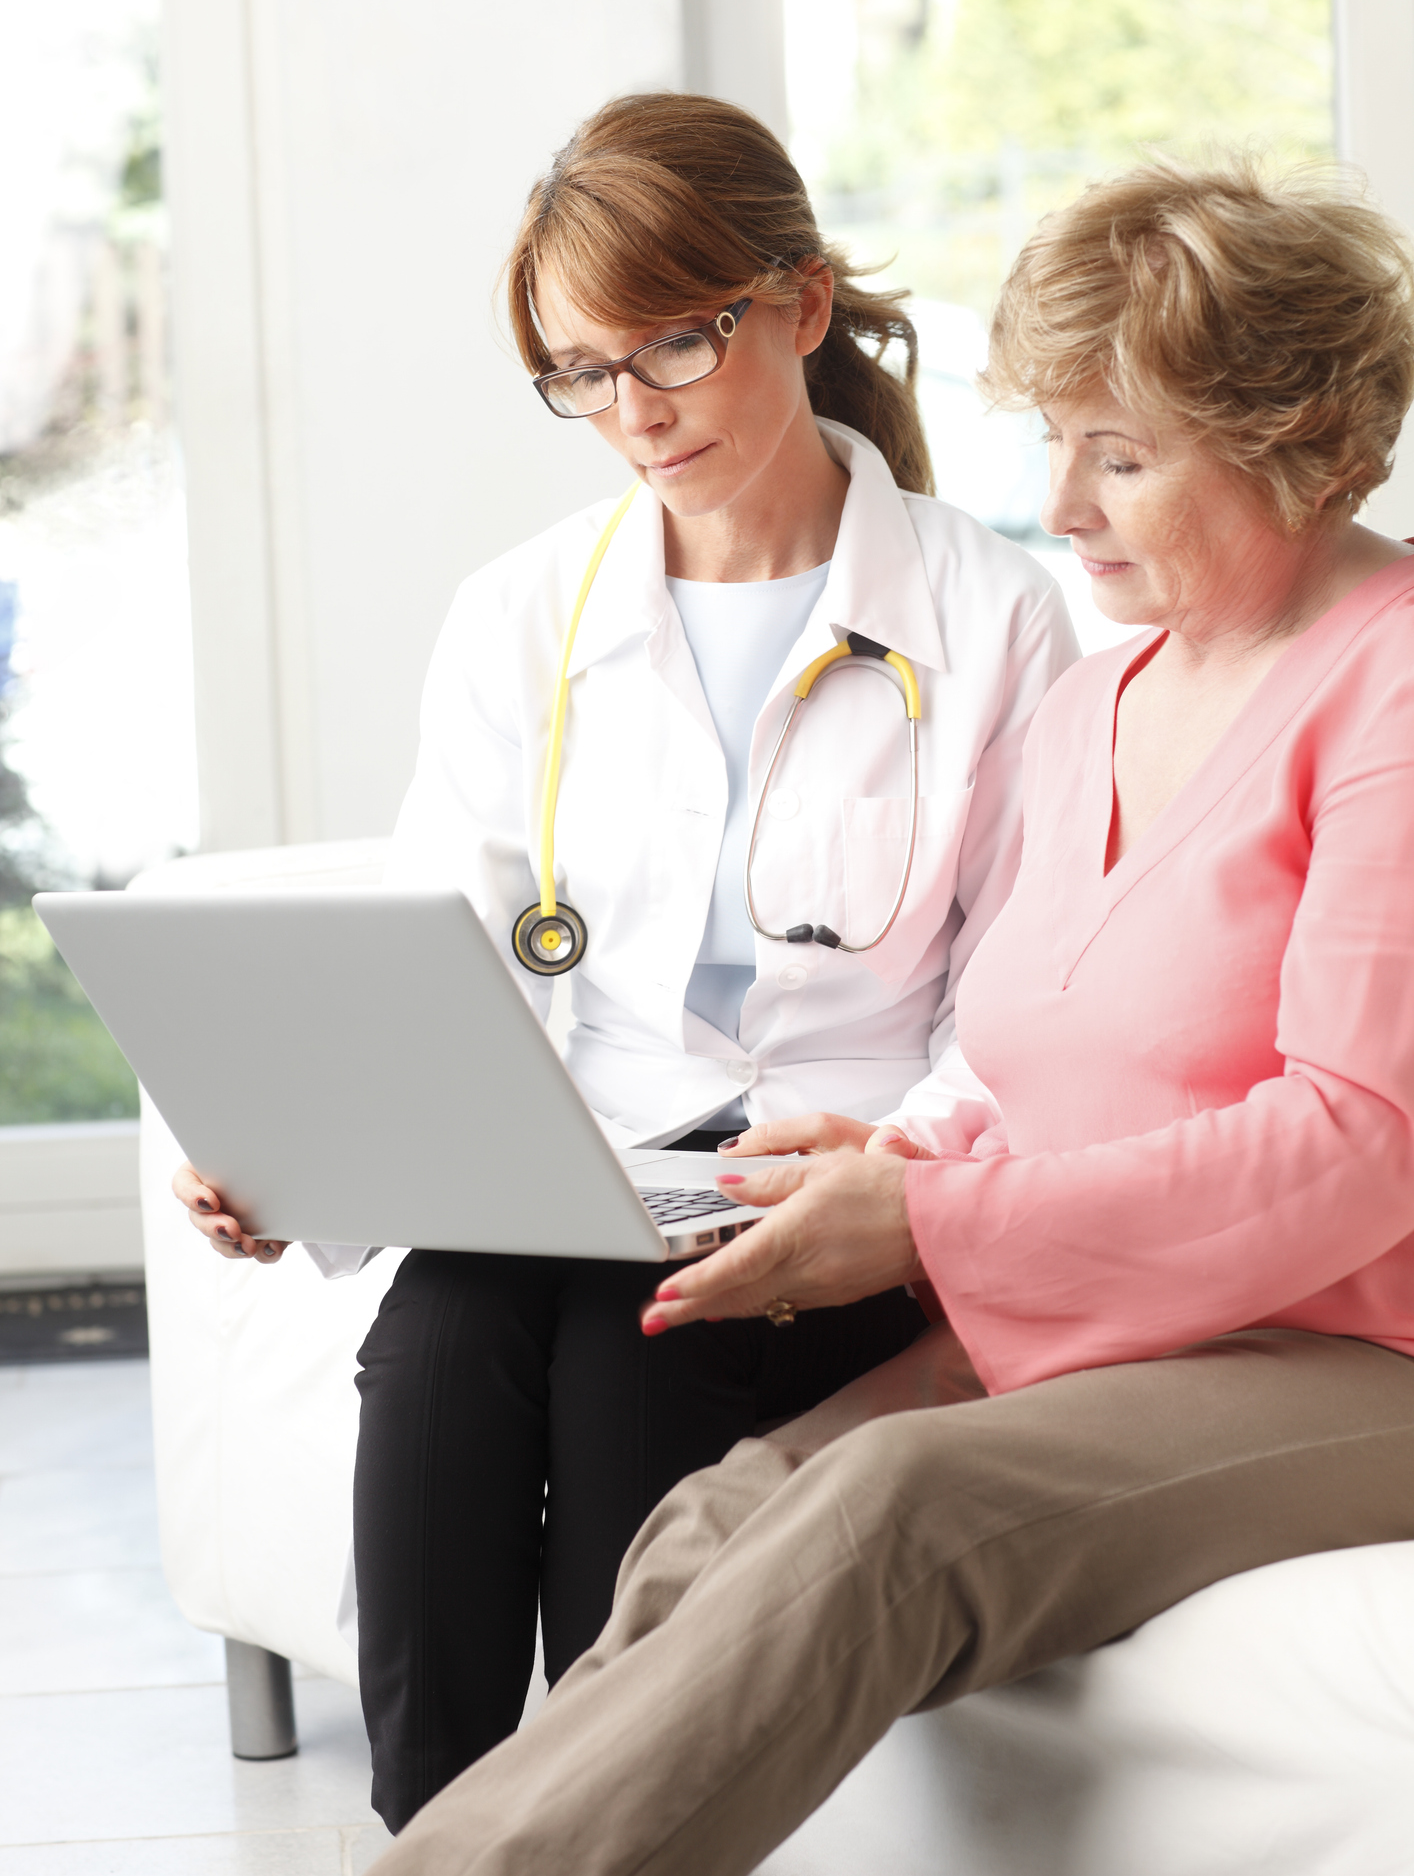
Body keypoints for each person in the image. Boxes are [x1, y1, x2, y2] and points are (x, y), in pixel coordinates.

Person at [363, 154, 1414, 1876]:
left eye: (1119, 455)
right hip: (1112, 1318)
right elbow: (1030, 1061)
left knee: (886, 1508)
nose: (1059, 505)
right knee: (710, 1518)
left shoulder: (1386, 683)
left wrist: (930, 1220)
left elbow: (1358, 1145)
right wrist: (892, 1154)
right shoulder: (1103, 698)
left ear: (1295, 439)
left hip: (1349, 1346)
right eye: (1052, 441)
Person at [170, 93, 1079, 1831]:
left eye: (671, 341)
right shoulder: (526, 611)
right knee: (438, 1338)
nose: (632, 411)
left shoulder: (990, 614)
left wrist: (896, 1168)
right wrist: (304, 1165)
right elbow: (443, 966)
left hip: (835, 1175)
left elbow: (1017, 1001)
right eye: (580, 371)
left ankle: (606, 1838)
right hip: (588, 1158)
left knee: (632, 1349)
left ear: (799, 302)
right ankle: (439, 1841)